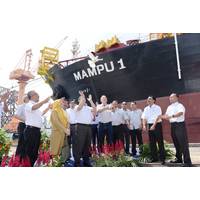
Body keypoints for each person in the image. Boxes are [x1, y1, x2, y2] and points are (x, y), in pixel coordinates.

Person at [161, 93, 192, 167]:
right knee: (176, 143)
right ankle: (179, 159)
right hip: (173, 126)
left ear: (177, 98)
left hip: (180, 125)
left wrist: (172, 116)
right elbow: (166, 115)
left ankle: (187, 162)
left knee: (183, 144)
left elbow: (180, 113)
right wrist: (161, 116)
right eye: (170, 97)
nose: (170, 99)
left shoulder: (180, 105)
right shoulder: (169, 107)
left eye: (172, 97)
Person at [23, 90, 51, 166]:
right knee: (30, 152)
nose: (38, 95)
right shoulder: (28, 104)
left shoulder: (36, 106)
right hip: (30, 131)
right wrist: (44, 101)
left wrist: (48, 108)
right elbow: (34, 107)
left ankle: (31, 165)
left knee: (35, 152)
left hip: (36, 131)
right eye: (36, 94)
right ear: (32, 96)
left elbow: (41, 113)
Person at [73, 91, 96, 166]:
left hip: (88, 127)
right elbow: (80, 107)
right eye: (82, 99)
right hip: (80, 127)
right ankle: (77, 162)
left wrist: (91, 101)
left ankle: (86, 161)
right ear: (79, 100)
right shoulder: (77, 107)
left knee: (87, 145)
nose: (84, 100)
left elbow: (95, 110)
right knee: (79, 146)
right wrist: (83, 96)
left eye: (84, 99)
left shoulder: (88, 108)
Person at [142, 96, 165, 165]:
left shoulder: (157, 107)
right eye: (148, 99)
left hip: (157, 125)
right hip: (150, 125)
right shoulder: (146, 108)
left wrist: (154, 125)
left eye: (150, 99)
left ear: (154, 100)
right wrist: (144, 125)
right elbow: (144, 117)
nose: (148, 100)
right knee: (152, 143)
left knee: (160, 142)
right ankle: (154, 158)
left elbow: (158, 116)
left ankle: (162, 159)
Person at [50, 99, 70, 163]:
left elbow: (66, 121)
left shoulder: (62, 111)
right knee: (55, 149)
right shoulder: (54, 111)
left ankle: (61, 161)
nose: (62, 104)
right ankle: (53, 163)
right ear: (57, 103)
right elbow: (57, 122)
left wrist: (67, 129)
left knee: (63, 147)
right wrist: (65, 130)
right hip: (57, 133)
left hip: (63, 133)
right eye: (60, 102)